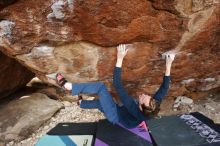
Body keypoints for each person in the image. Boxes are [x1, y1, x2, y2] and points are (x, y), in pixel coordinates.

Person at [56, 44, 175, 128]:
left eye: (144, 98)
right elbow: (164, 88)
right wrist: (169, 64)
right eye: (148, 96)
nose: (144, 94)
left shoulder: (133, 108)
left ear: (140, 107)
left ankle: (69, 86)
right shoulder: (153, 105)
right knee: (102, 103)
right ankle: (81, 104)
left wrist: (120, 58)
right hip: (126, 118)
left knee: (100, 88)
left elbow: (117, 84)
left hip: (116, 117)